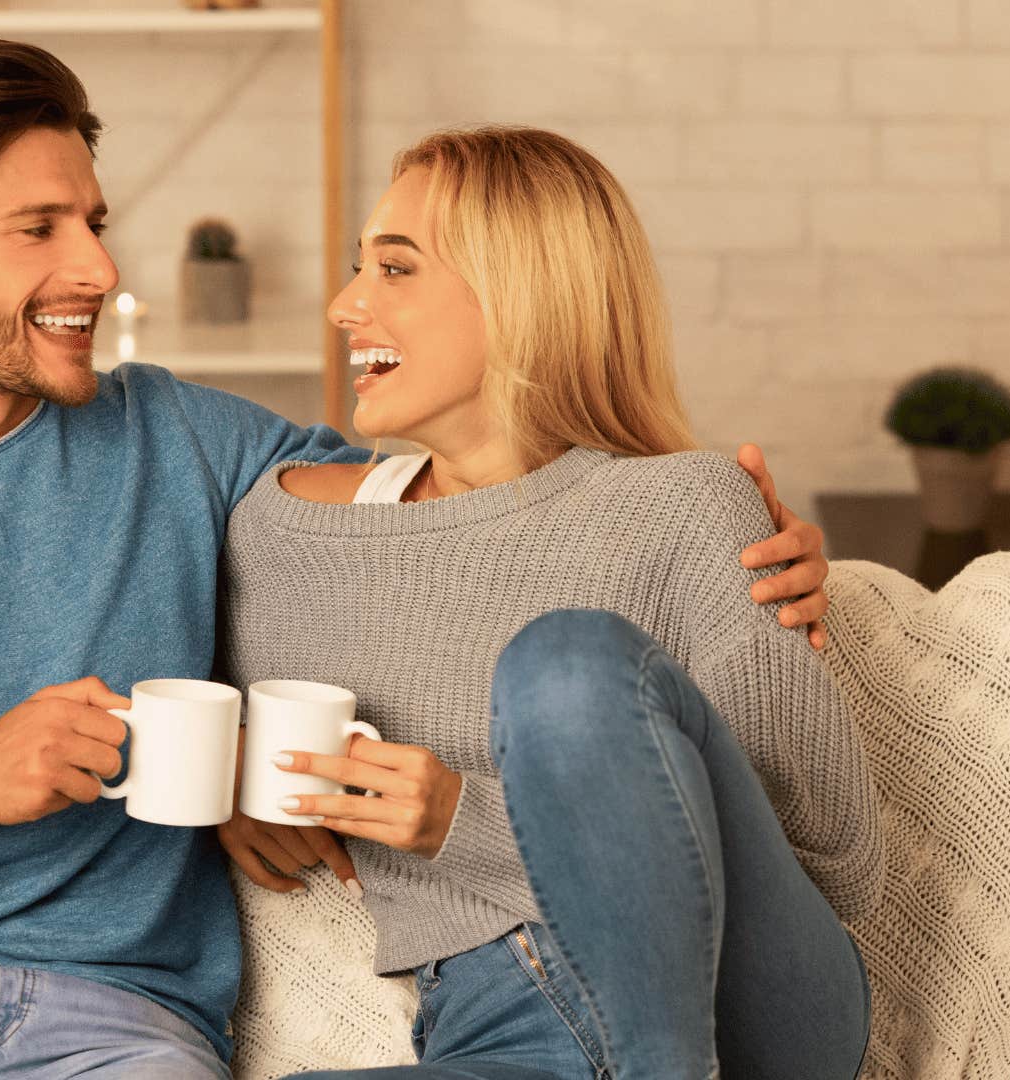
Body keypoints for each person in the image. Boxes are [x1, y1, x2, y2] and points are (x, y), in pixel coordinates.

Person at [0, 39, 831, 1079]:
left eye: (93, 223)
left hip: (116, 1029)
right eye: (39, 230)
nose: (99, 271)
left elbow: (462, 493)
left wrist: (729, 527)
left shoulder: (179, 440)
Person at [216, 126, 880, 1079]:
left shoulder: (684, 502)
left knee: (564, 665)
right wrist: (223, 782)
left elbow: (838, 861)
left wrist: (463, 820)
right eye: (357, 269)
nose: (345, 305)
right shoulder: (285, 535)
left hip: (749, 1009)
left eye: (395, 270)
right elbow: (171, 693)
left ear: (520, 291)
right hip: (499, 1028)